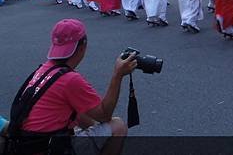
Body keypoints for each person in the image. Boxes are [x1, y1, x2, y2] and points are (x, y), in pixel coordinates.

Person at [7, 19, 136, 155]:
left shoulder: (43, 70)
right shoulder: (69, 79)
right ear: (82, 46)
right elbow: (104, 115)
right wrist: (118, 74)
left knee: (79, 113)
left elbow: (80, 114)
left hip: (25, 144)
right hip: (48, 148)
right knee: (117, 126)